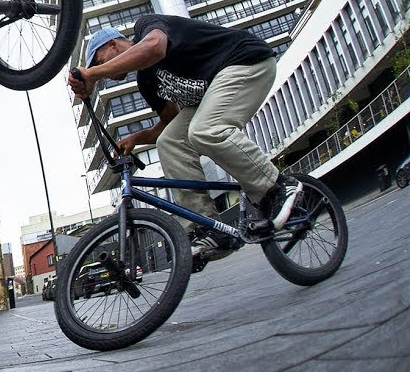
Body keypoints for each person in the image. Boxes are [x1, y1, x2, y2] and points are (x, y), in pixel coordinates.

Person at [68, 14, 303, 265]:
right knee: (169, 141)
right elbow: (168, 123)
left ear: (113, 44)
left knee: (205, 129)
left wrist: (90, 73)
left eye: (98, 61)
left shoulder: (147, 28)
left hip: (244, 63)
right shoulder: (147, 81)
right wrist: (136, 138)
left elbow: (155, 47)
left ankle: (277, 186)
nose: (101, 74)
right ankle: (207, 228)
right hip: (211, 93)